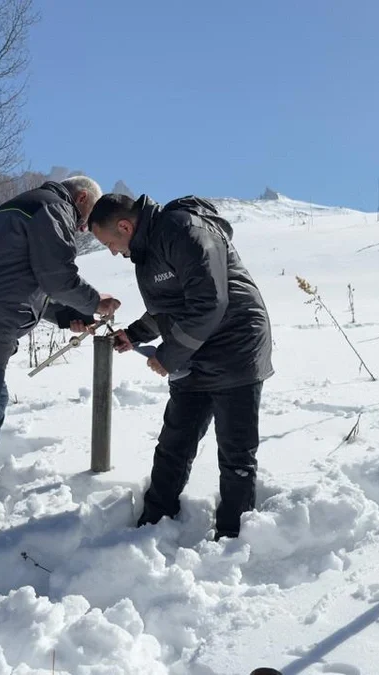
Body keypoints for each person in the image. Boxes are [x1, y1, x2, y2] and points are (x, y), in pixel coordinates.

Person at [0, 176, 121, 535]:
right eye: (88, 218)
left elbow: (20, 279)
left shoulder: (21, 207)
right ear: (81, 198)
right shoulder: (54, 209)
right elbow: (56, 277)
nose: (85, 228)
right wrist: (97, 302)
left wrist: (68, 317)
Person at [85, 192, 273, 540]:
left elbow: (208, 303)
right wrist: (136, 334)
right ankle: (153, 523)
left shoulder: (184, 229)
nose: (112, 250)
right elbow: (169, 306)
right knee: (174, 443)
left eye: (110, 242)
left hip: (236, 348)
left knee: (235, 453)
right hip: (194, 354)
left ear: (125, 226)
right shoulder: (148, 253)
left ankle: (234, 539)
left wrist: (168, 357)